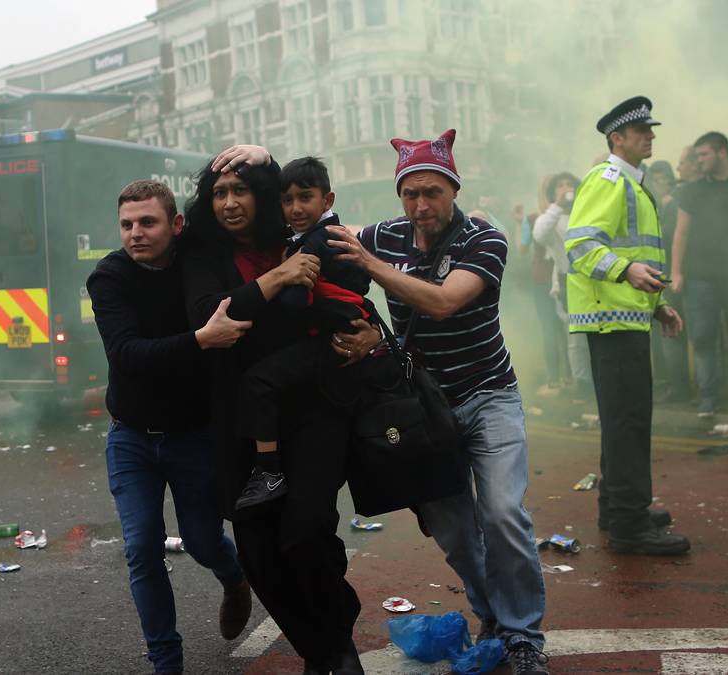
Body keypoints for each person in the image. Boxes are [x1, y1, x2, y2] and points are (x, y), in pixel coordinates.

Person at [323, 128, 550, 674]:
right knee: (454, 534)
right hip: (426, 410)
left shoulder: (485, 239)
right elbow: (309, 233)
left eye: (432, 192)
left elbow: (445, 303)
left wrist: (372, 265)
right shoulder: (385, 234)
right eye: (410, 194)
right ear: (399, 196)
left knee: (501, 513)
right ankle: (493, 616)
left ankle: (523, 637)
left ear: (454, 189)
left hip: (489, 395)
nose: (421, 205)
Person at [184, 148, 379, 675]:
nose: (229, 202)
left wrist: (372, 334)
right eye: (219, 193)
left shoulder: (297, 232)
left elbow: (352, 292)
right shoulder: (203, 254)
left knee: (307, 531)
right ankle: (321, 646)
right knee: (257, 550)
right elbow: (212, 316)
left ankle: (336, 649)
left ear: (262, 195)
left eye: (240, 190)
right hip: (241, 422)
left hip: (314, 409)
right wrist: (277, 279)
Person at [86, 179, 254, 675]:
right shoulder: (109, 278)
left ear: (175, 225)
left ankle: (234, 577)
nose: (135, 233)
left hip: (192, 435)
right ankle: (166, 661)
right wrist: (201, 340)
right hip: (131, 437)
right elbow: (126, 355)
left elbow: (229, 205)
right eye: (127, 225)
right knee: (141, 548)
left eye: (148, 222)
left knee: (203, 542)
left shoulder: (195, 261)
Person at [234, 156, 405, 511]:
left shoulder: (316, 240)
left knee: (258, 382)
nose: (295, 208)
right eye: (287, 200)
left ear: (327, 200)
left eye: (305, 197)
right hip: (339, 340)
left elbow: (295, 300)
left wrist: (266, 298)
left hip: (331, 343)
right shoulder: (328, 235)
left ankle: (268, 471)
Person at [563, 97, 689, 555]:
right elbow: (579, 245)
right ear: (618, 138)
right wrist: (626, 273)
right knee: (629, 422)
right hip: (610, 322)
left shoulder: (632, 184)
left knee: (624, 421)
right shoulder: (609, 179)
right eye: (641, 131)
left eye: (650, 130)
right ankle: (629, 525)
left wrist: (657, 305)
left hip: (625, 317)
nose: (651, 136)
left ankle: (617, 507)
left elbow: (638, 258)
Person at [670, 132, 728, 416]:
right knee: (702, 337)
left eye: (704, 155)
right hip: (700, 277)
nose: (699, 161)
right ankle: (708, 397)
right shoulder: (692, 190)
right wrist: (675, 271)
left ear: (722, 152)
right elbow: (681, 233)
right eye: (697, 156)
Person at [531, 172, 592, 400]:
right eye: (560, 185)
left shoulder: (586, 212)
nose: (565, 188)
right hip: (568, 282)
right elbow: (539, 234)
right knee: (574, 336)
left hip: (594, 280)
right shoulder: (552, 218)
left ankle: (597, 381)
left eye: (569, 185)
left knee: (595, 334)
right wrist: (556, 205)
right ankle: (583, 383)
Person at [646, 160, 691, 403]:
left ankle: (681, 387)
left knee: (674, 333)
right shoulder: (653, 202)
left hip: (674, 274)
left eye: (665, 176)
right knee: (667, 336)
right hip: (658, 275)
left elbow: (670, 234)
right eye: (656, 177)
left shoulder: (676, 201)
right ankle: (673, 384)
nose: (661, 181)